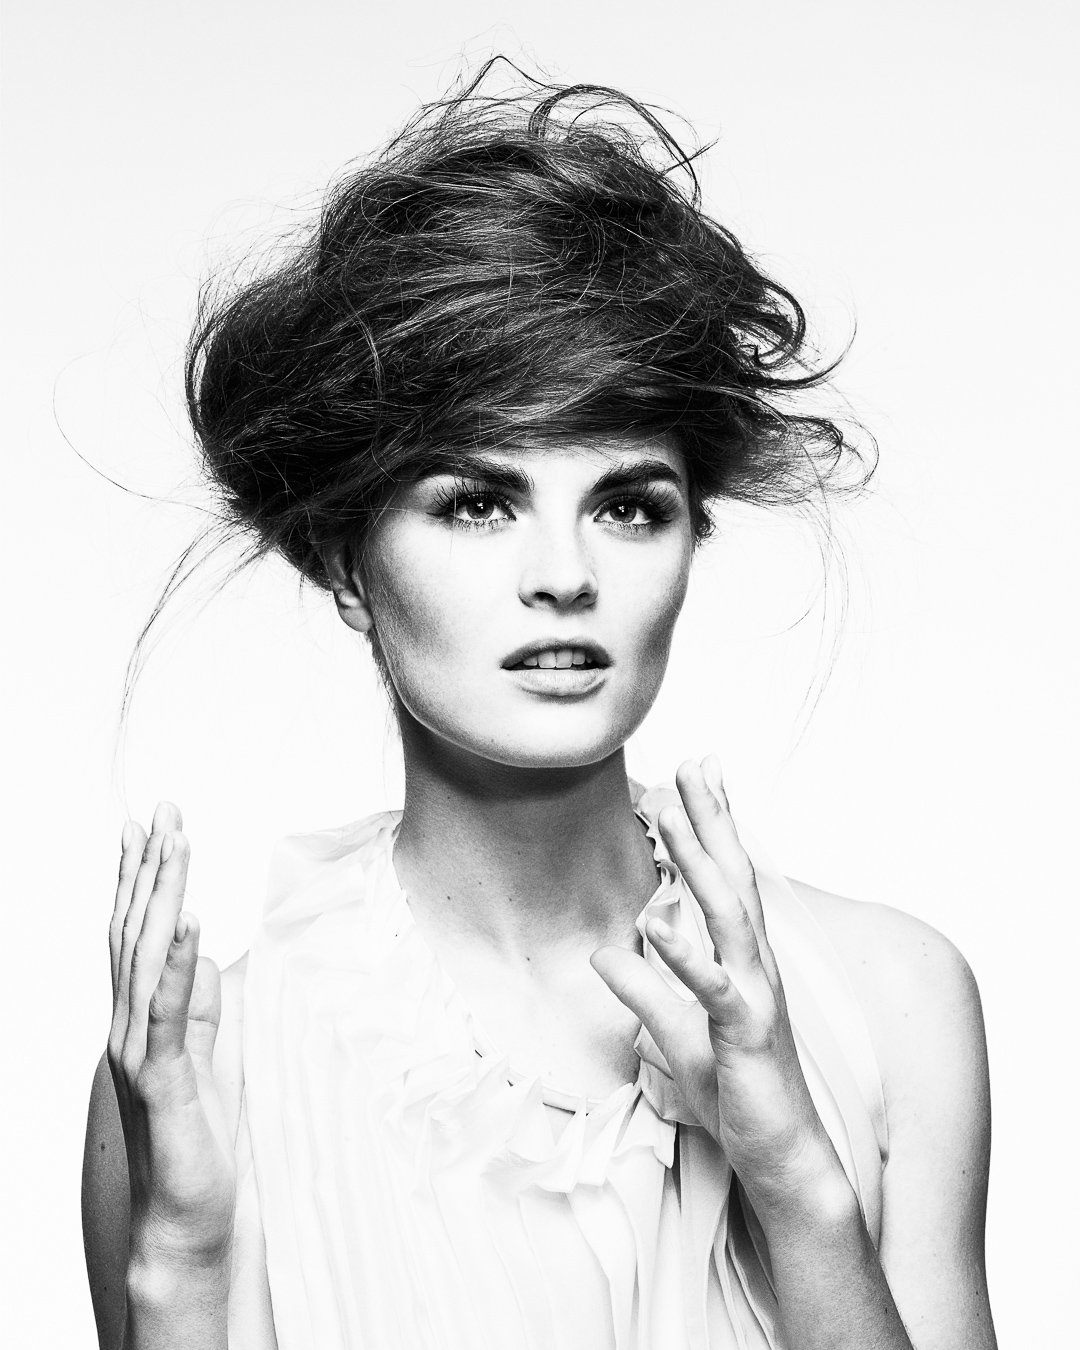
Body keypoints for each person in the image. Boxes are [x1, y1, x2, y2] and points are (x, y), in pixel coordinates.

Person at [81, 68, 996, 1350]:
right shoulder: (205, 1067)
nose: (565, 574)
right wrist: (177, 1268)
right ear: (346, 564)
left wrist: (793, 1171)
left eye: (628, 502)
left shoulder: (891, 1001)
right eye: (477, 502)